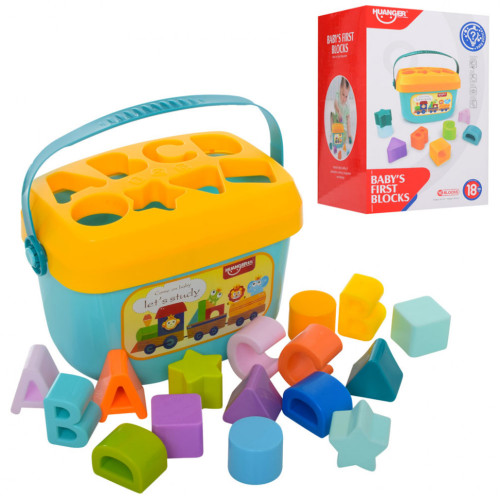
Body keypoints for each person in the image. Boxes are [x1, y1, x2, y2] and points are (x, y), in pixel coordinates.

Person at [334, 77, 352, 143]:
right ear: (340, 89)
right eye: (343, 94)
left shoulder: (347, 106)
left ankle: (344, 136)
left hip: (343, 125)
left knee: (341, 137)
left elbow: (348, 120)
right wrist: (339, 111)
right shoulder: (337, 95)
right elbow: (335, 104)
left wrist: (349, 134)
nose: (344, 99)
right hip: (336, 120)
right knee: (332, 117)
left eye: (346, 96)